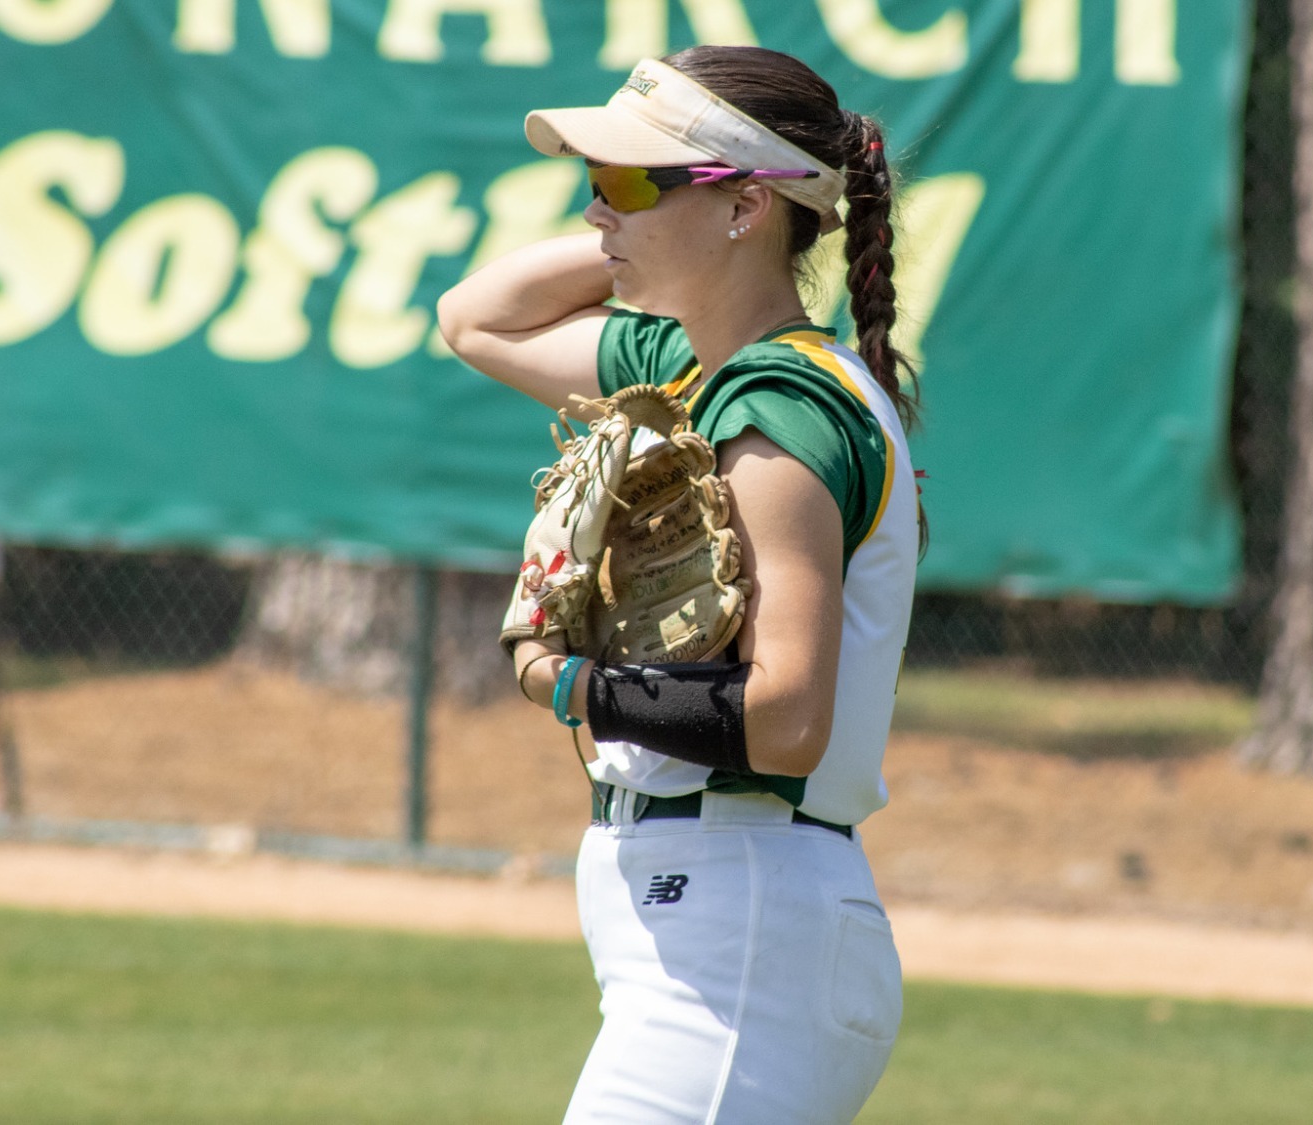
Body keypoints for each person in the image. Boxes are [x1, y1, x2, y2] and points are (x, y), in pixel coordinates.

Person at [435, 46, 921, 1125]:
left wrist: (567, 685)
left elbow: (786, 719)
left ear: (747, 206)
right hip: (714, 920)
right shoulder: (694, 367)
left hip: (741, 922)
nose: (594, 208)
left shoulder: (779, 405)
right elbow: (474, 318)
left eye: (624, 181)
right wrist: (645, 222)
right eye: (592, 182)